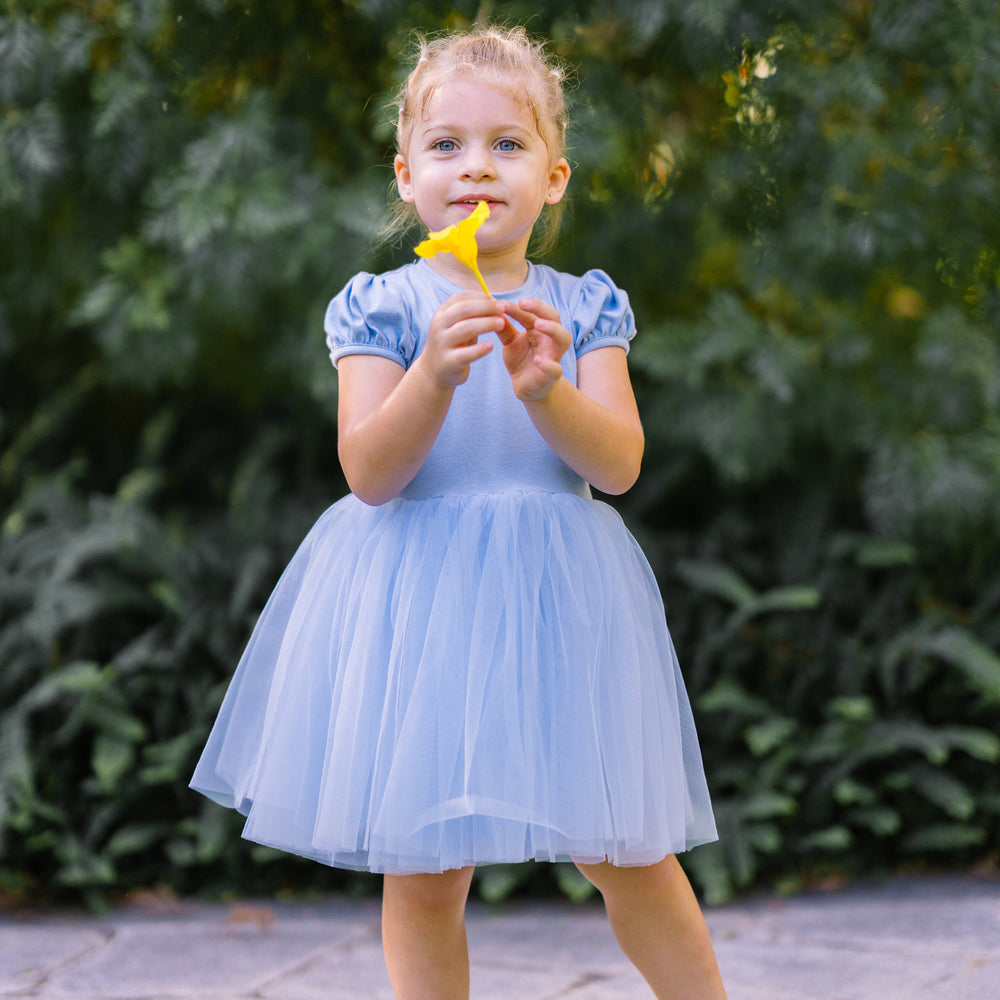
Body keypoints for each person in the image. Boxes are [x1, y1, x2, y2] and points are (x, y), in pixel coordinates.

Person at [191, 24, 727, 1000]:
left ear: (554, 178)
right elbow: (369, 471)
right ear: (406, 176)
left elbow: (618, 465)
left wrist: (543, 389)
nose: (475, 166)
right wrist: (434, 372)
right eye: (446, 145)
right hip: (418, 615)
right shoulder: (383, 308)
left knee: (626, 850)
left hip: (558, 608)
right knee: (427, 871)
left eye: (506, 144)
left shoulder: (583, 308)